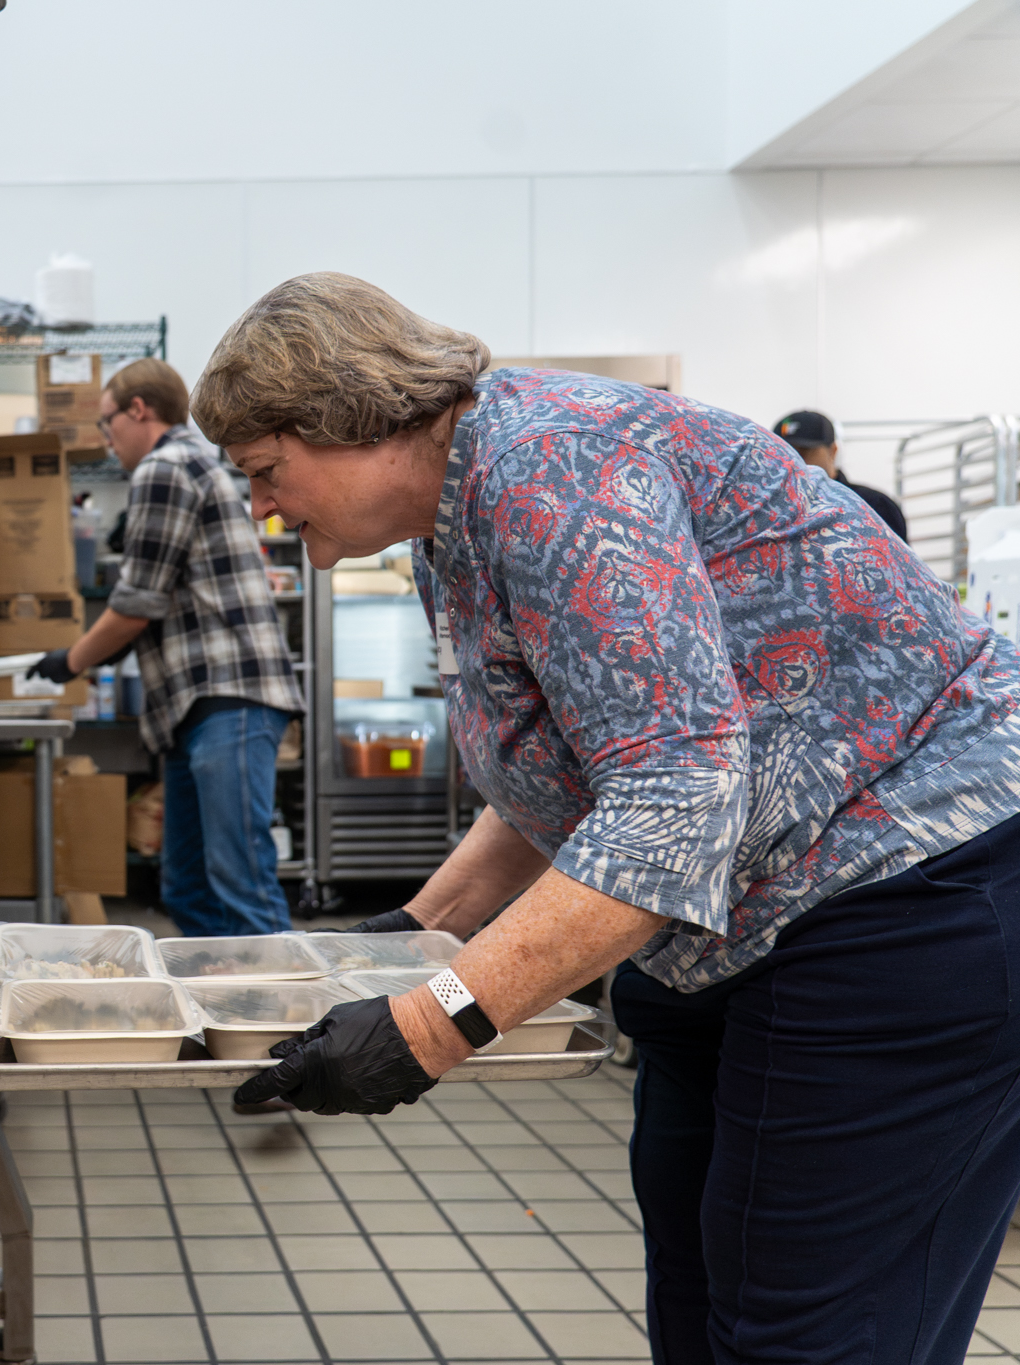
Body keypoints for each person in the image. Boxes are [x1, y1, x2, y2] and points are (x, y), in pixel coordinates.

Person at [210, 272, 1020, 1364]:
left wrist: (428, 1027)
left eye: (266, 469)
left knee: (808, 1331)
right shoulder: (452, 520)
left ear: (350, 418)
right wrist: (423, 927)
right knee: (699, 1302)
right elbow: (591, 748)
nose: (260, 504)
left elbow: (671, 793)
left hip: (905, 890)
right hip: (738, 923)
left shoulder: (556, 469)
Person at [25, 358, 303, 936]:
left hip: (229, 695)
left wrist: (70, 661)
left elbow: (136, 603)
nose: (107, 440)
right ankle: (220, 990)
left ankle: (281, 995)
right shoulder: (188, 464)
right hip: (195, 706)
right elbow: (159, 598)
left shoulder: (165, 466)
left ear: (138, 410)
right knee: (187, 886)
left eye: (107, 423)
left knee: (240, 883)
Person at [772, 408, 909, 541]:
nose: (794, 461)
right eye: (784, 453)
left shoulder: (872, 505)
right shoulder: (772, 511)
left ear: (833, 451)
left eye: (804, 451)